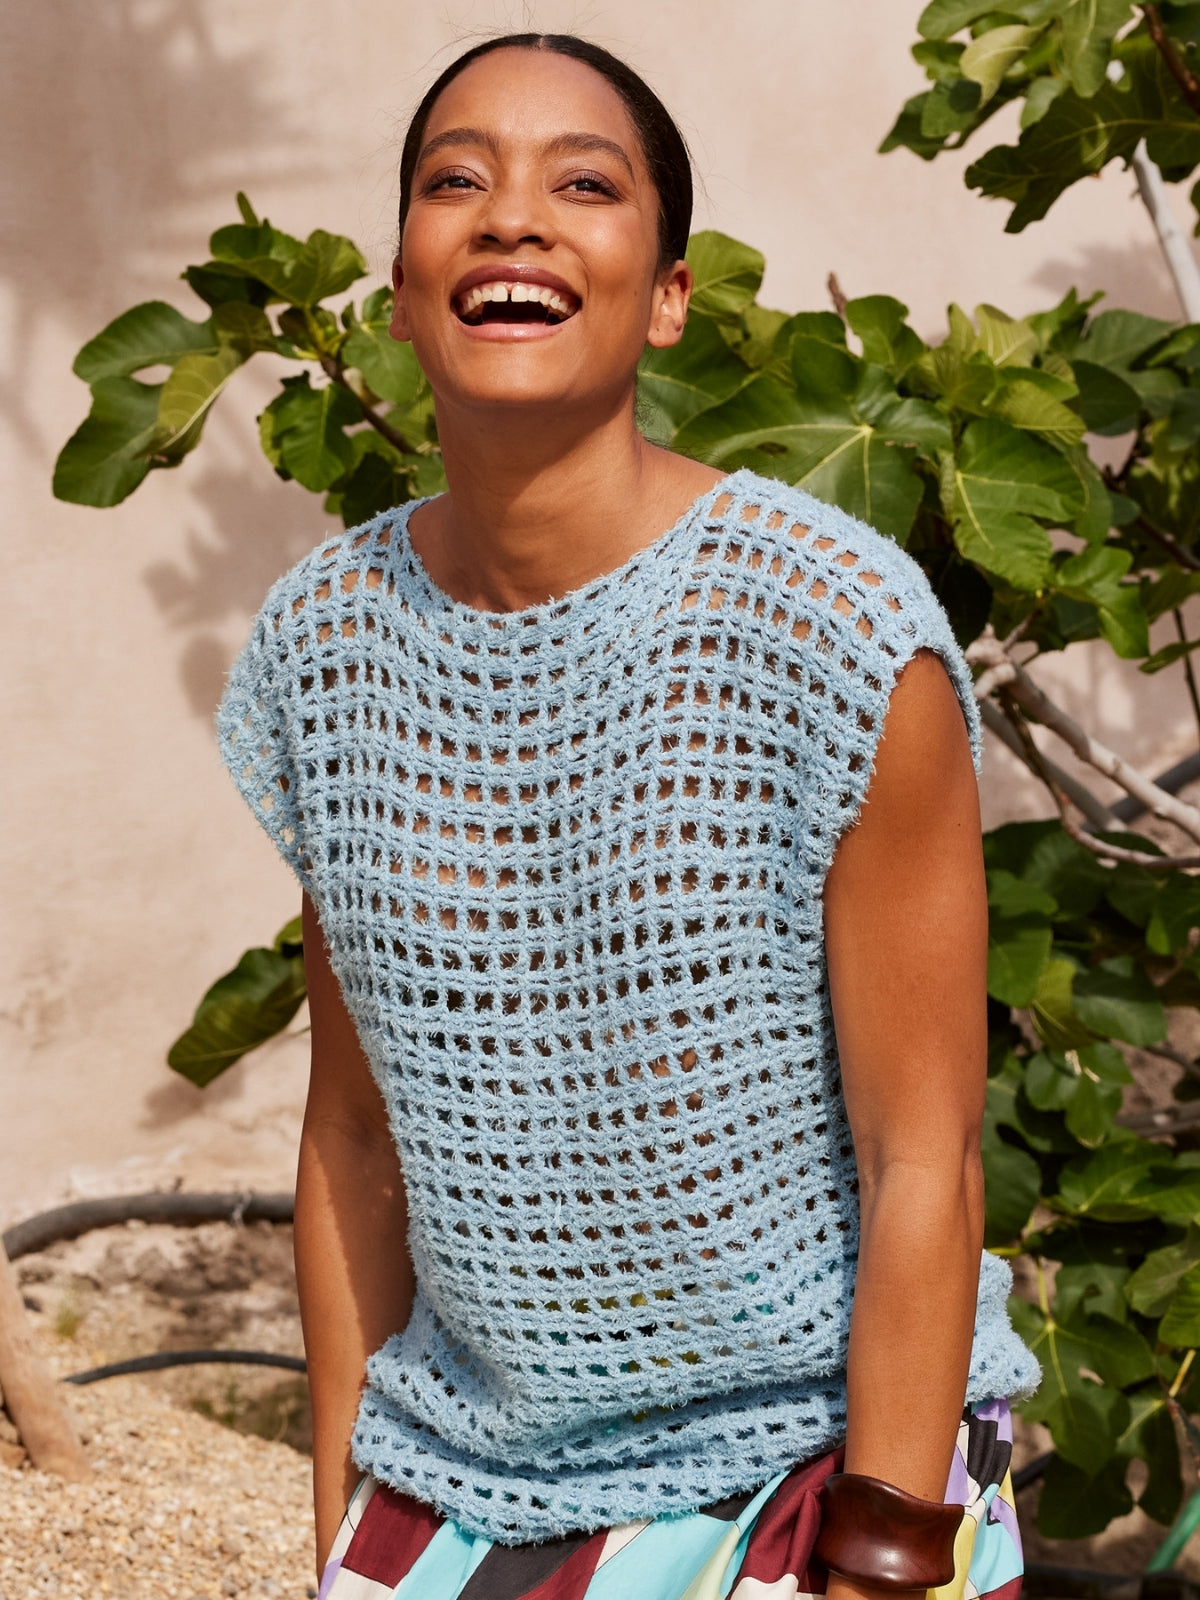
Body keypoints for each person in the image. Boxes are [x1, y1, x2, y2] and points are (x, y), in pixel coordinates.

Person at [217, 31, 1039, 1600]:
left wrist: (878, 1558)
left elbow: (920, 1155)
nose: (513, 216)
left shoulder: (834, 629)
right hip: (463, 1471)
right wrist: (340, 1535)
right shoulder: (326, 644)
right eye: (457, 180)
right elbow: (354, 1135)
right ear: (402, 291)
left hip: (813, 1468)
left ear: (666, 296)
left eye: (583, 185)